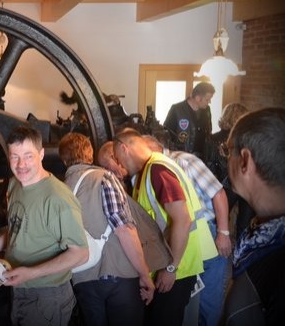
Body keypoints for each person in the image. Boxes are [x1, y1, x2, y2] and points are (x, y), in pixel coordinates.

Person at [0, 126, 88, 326]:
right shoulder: (14, 184)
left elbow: (80, 254)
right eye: (15, 157)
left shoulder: (58, 198)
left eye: (28, 156)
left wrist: (31, 272)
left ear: (41, 154)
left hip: (47, 296)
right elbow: (19, 225)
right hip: (20, 288)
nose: (21, 165)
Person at [113, 128, 211, 326]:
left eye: (117, 158)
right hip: (168, 266)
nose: (119, 164)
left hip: (176, 268)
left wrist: (171, 268)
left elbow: (183, 219)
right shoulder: (147, 172)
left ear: (124, 148)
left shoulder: (158, 169)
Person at [58, 132, 154, 326]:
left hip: (82, 278)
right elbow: (124, 229)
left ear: (63, 159)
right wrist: (144, 274)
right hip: (118, 276)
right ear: (90, 154)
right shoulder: (103, 178)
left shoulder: (58, 189)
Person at [143, 134, 229, 326]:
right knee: (189, 298)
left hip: (207, 232)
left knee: (208, 297)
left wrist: (223, 233)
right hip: (183, 236)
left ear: (151, 148)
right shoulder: (151, 169)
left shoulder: (184, 161)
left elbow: (218, 193)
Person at [222, 107, 285, 325]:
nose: (226, 158)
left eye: (228, 151)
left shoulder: (277, 265)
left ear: (245, 161)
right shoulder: (264, 236)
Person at [204, 102, 252, 237]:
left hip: (223, 184)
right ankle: (241, 248)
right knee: (244, 224)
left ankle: (216, 243)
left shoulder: (212, 138)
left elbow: (209, 165)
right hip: (243, 182)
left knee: (218, 219)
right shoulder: (247, 139)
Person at [163, 82, 215, 160]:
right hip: (181, 158)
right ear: (197, 98)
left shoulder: (207, 110)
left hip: (202, 159)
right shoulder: (177, 109)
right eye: (207, 99)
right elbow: (166, 135)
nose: (209, 102)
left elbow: (208, 133)